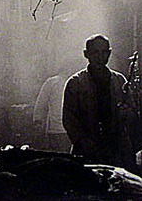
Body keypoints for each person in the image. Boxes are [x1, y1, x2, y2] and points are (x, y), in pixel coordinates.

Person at [62, 34, 131, 164]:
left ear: (109, 53)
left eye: (104, 52)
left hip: (115, 150)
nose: (100, 57)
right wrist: (83, 141)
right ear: (86, 54)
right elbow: (69, 119)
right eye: (95, 53)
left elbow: (131, 115)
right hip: (87, 150)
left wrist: (127, 113)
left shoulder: (119, 81)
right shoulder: (76, 83)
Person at [33, 68, 71, 153]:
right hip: (58, 131)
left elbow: (40, 105)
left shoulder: (77, 82)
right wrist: (38, 123)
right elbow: (41, 105)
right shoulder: (52, 82)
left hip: (68, 131)